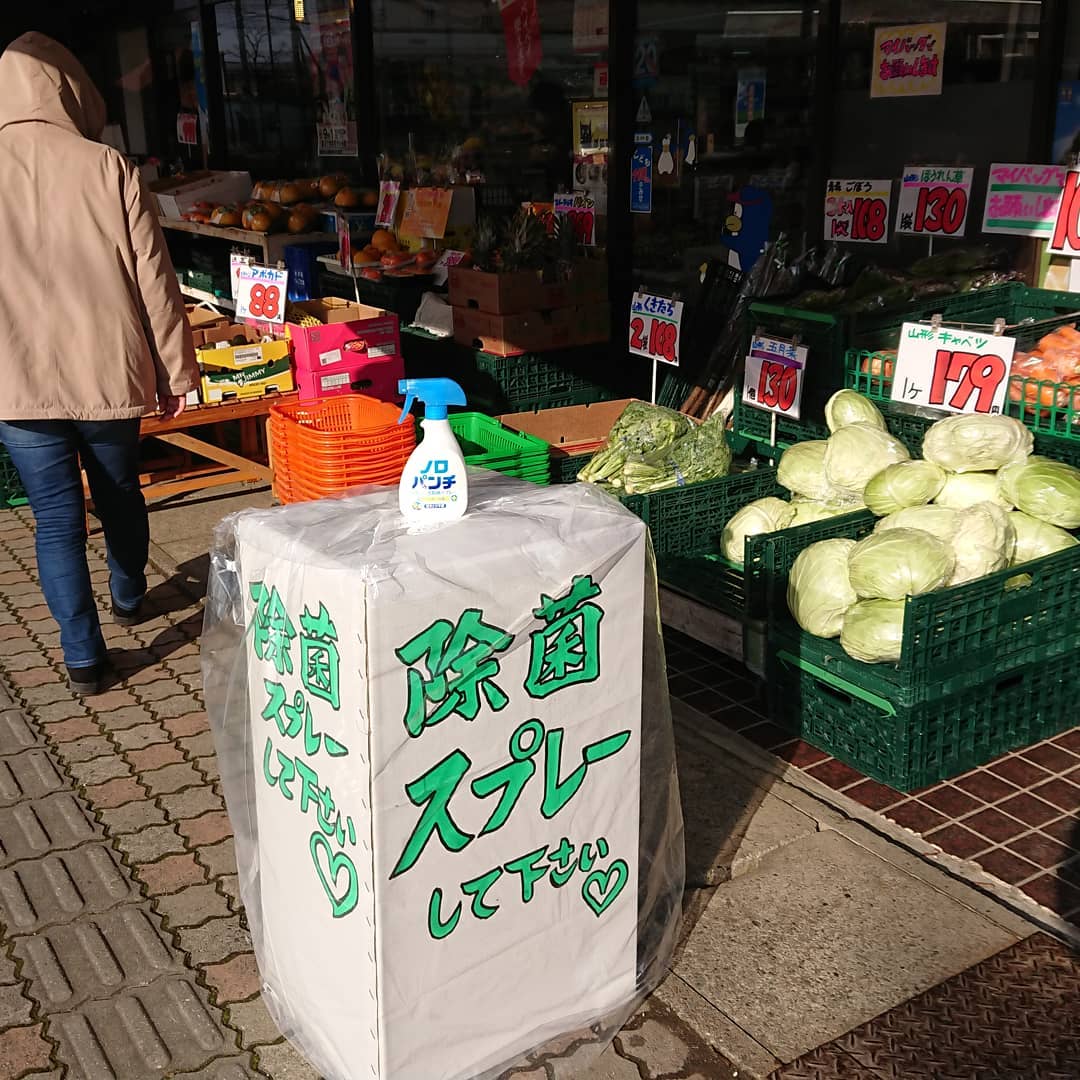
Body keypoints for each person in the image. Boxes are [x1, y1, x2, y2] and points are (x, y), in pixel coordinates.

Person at [0, 33, 199, 696]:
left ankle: (84, 660)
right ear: (70, 90)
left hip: (15, 382)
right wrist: (177, 372)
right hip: (108, 368)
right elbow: (155, 282)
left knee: (54, 519)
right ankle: (130, 592)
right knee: (119, 494)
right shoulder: (107, 165)